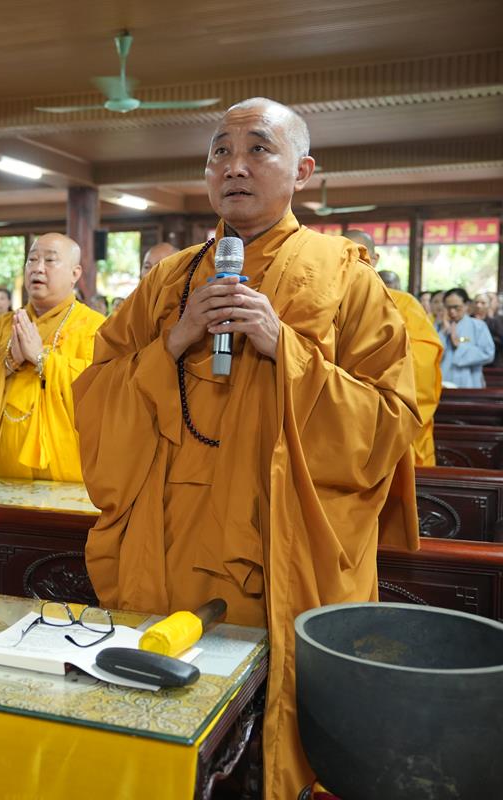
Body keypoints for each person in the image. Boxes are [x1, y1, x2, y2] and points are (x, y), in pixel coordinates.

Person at [73, 98, 421, 798]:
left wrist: (283, 347)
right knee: (165, 729)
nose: (234, 166)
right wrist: (174, 341)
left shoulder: (345, 276)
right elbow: (95, 395)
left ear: (303, 171)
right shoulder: (169, 281)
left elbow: (392, 422)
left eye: (258, 149)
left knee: (261, 746)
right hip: (169, 545)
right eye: (219, 152)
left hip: (277, 549)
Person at [0, 233, 105, 485]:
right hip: (0, 473)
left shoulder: (95, 327)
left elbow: (104, 391)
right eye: (32, 260)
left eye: (50, 260)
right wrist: (8, 363)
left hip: (69, 476)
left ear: (75, 273)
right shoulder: (2, 326)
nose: (38, 268)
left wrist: (42, 358)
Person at [347, 230, 443, 467]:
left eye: (359, 254)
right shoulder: (325, 301)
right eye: (344, 254)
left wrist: (373, 375)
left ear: (375, 259)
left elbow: (423, 363)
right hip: (344, 417)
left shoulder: (404, 303)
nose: (352, 261)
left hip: (389, 413)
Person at [437, 287, 494, 388]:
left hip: (469, 383)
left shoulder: (478, 326)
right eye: (448, 308)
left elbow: (488, 353)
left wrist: (459, 346)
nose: (452, 311)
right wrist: (443, 331)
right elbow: (432, 355)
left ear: (466, 305)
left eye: (456, 307)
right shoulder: (438, 327)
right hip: (442, 381)